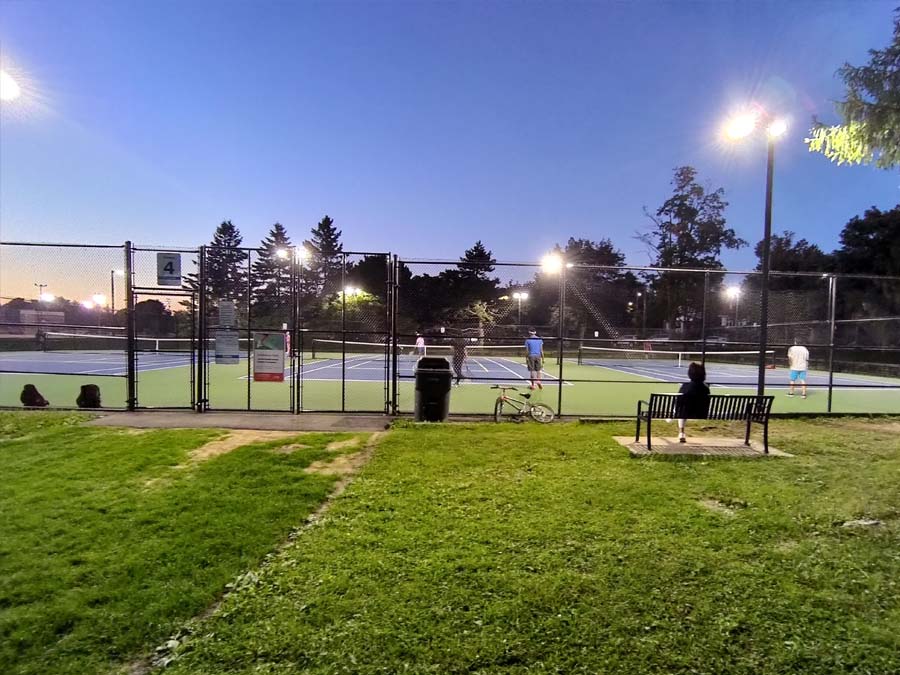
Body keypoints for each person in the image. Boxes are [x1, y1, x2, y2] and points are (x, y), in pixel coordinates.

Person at [676, 362, 710, 443]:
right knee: (683, 408)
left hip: (686, 413)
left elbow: (678, 401)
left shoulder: (685, 386)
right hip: (702, 413)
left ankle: (681, 433)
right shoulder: (706, 389)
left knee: (681, 409)